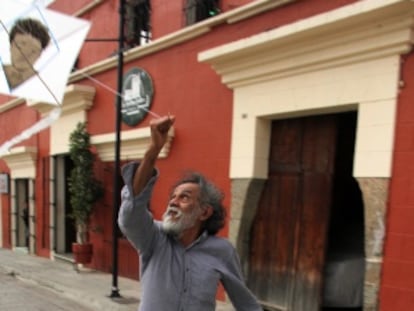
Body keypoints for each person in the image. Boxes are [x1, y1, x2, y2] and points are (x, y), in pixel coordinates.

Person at [118, 115, 262, 311]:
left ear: (204, 212)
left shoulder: (222, 250)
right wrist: (153, 151)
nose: (173, 203)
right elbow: (131, 212)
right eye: (173, 197)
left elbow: (245, 302)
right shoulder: (154, 238)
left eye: (184, 197)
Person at [2, 17, 50, 90]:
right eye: (20, 45)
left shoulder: (43, 84)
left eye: (33, 51)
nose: (25, 54)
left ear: (39, 56)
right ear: (11, 46)